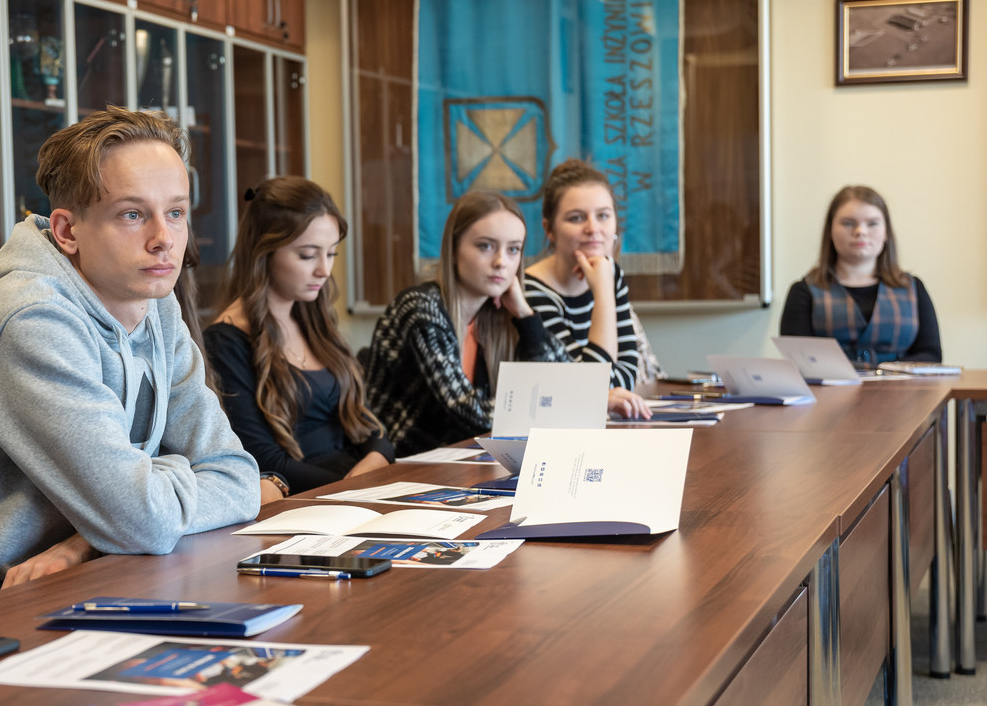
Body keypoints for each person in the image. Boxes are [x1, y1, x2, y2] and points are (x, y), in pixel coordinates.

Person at [0, 107, 261, 617]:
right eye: (132, 214)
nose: (164, 238)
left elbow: (238, 477)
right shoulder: (31, 319)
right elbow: (142, 520)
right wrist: (145, 494)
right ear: (67, 231)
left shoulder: (156, 305)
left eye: (175, 212)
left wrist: (87, 539)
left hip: (97, 574)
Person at [204, 178, 393, 494]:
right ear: (264, 253)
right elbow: (264, 460)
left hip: (359, 487)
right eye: (307, 255)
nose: (324, 270)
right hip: (307, 499)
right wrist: (354, 486)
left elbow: (368, 426)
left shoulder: (313, 319)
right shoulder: (225, 342)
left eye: (331, 254)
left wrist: (377, 460)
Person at [365, 192, 575, 458]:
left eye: (513, 249)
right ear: (453, 250)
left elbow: (567, 382)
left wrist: (525, 316)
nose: (501, 262)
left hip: (469, 461)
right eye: (485, 246)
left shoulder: (497, 314)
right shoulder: (421, 308)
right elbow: (468, 411)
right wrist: (552, 407)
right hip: (407, 465)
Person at [522, 160, 656, 397]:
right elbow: (589, 388)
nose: (593, 228)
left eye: (603, 215)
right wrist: (603, 292)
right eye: (576, 218)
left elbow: (627, 376)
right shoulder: (531, 291)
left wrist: (605, 283)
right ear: (549, 229)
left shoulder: (611, 273)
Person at [779, 185, 941, 365]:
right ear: (830, 230)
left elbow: (931, 355)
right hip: (832, 384)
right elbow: (799, 362)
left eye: (872, 223)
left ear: (886, 231)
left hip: (901, 383)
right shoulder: (804, 292)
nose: (860, 232)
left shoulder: (913, 288)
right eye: (848, 223)